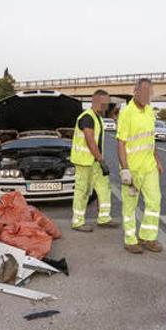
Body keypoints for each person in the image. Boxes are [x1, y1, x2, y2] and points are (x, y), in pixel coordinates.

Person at [116, 78, 164, 254]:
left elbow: (151, 139)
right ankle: (130, 240)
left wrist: (157, 160)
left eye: (149, 92)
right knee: (129, 206)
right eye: (142, 91)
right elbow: (121, 143)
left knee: (154, 201)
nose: (146, 95)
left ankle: (147, 237)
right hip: (133, 169)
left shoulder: (150, 111)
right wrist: (125, 169)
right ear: (135, 91)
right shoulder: (127, 112)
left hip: (149, 166)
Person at [70, 89, 118, 232]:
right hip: (85, 161)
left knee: (104, 188)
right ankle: (77, 222)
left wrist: (99, 160)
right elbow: (90, 140)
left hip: (95, 162)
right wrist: (100, 159)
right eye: (104, 103)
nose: (106, 106)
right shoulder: (87, 117)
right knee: (83, 191)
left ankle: (104, 218)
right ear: (96, 101)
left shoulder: (98, 117)